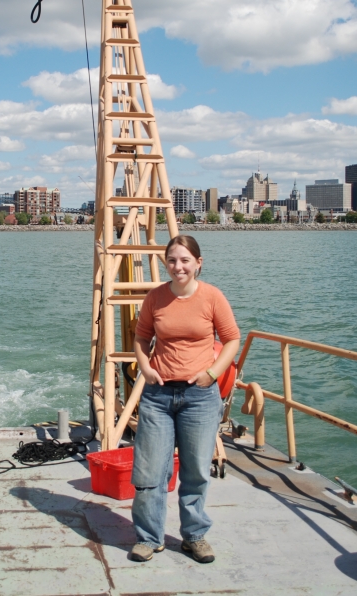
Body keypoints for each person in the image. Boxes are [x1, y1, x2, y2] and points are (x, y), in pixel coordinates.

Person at [129, 234, 240, 564]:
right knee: (150, 472)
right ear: (166, 263)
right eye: (173, 260)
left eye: (185, 260)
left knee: (195, 471)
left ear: (198, 263)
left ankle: (194, 536)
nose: (178, 266)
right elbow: (141, 337)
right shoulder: (155, 299)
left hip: (200, 397)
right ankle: (149, 538)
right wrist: (145, 367)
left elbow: (232, 340)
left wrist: (212, 373)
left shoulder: (212, 297)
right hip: (158, 395)